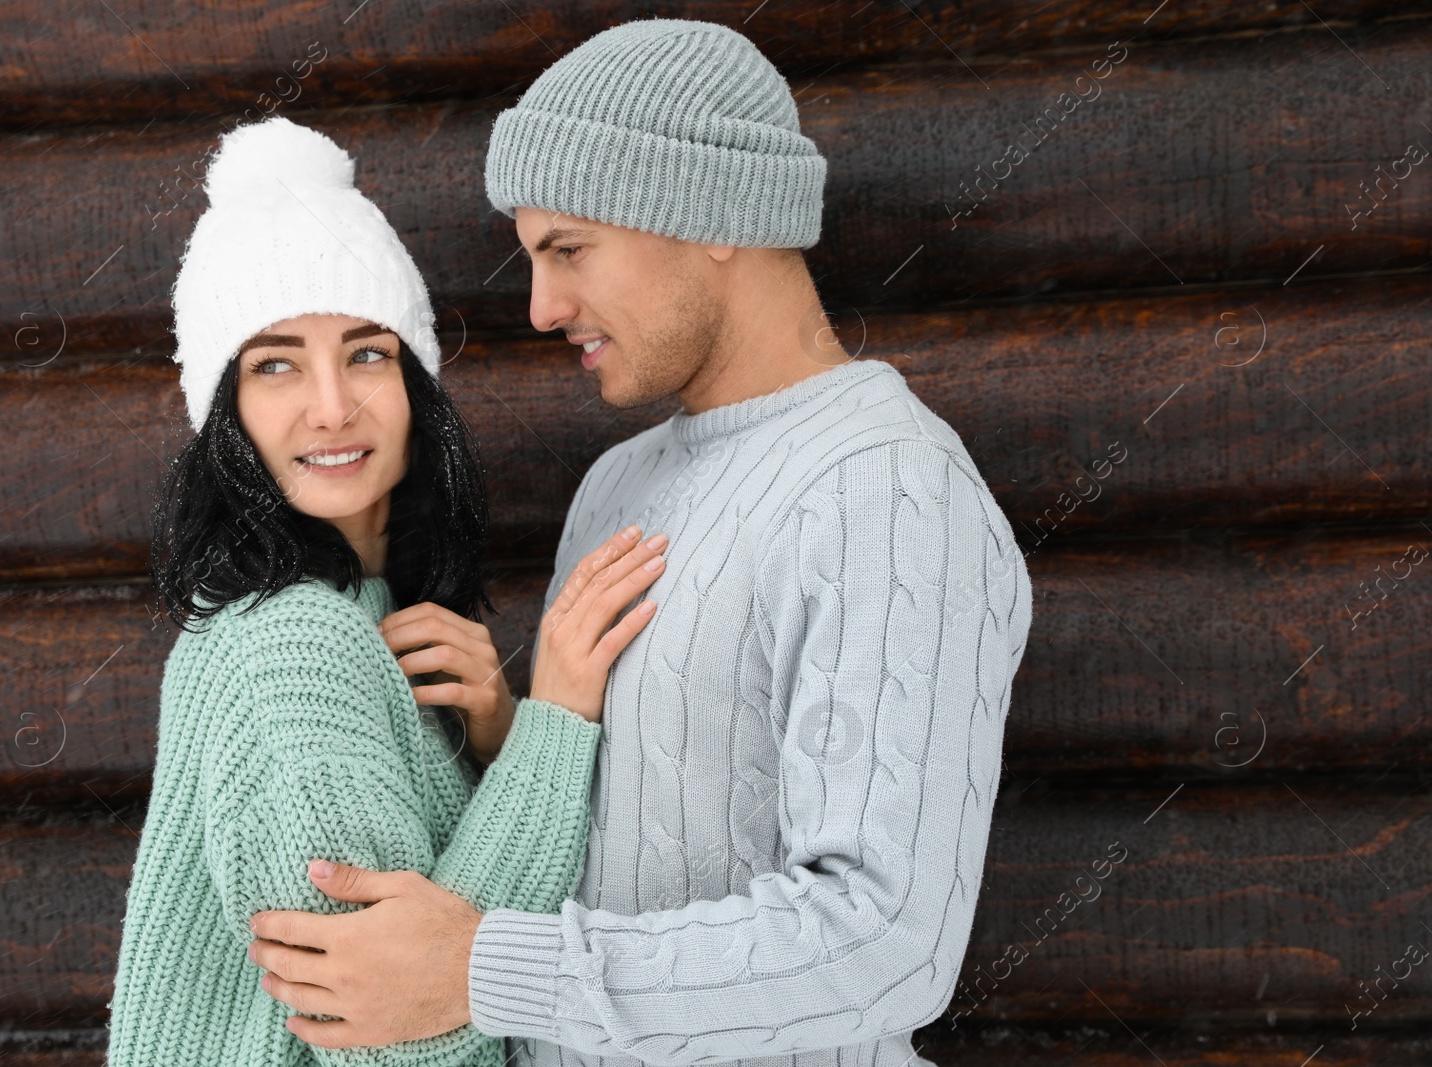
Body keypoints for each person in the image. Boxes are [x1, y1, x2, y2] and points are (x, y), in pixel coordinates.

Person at [249, 17, 1035, 1067]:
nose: (540, 305)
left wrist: (481, 968)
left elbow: (883, 940)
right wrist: (508, 736)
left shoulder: (884, 489)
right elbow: (647, 831)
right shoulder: (620, 482)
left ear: (712, 214)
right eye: (532, 257)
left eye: (569, 248)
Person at [104, 115, 670, 1067]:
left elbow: (438, 931)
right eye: (274, 363)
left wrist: (495, 738)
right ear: (224, 410)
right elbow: (404, 1038)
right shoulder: (293, 650)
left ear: (415, 386)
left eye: (367, 352)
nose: (333, 404)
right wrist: (557, 725)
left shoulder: (365, 613)